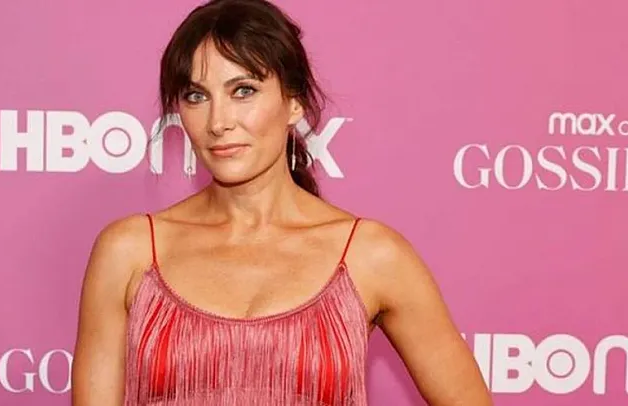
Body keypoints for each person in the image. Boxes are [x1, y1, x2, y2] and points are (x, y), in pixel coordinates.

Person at [71, 0, 493, 405]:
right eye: (196, 96)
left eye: (243, 91)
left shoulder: (372, 255)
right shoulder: (129, 250)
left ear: (293, 102)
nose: (218, 122)